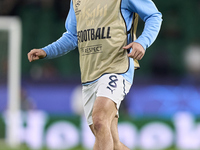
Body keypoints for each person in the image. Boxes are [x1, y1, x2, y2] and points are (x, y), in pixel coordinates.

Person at [27, 0, 162, 149]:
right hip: (90, 76)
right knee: (112, 142)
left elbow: (154, 16)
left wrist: (142, 42)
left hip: (117, 67)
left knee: (99, 120)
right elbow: (72, 36)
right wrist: (47, 51)